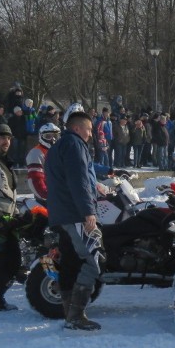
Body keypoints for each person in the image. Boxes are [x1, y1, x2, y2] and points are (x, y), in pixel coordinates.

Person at [45, 106, 104, 331]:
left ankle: (69, 313)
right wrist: (88, 212)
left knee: (71, 262)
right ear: (77, 128)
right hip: (75, 214)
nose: (91, 134)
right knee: (93, 261)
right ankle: (76, 315)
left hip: (62, 213)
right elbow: (78, 181)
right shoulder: (74, 145)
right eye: (89, 130)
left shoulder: (60, 146)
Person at [0, 123, 20, 311]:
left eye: (9, 138)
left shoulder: (4, 162)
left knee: (11, 261)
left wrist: (18, 215)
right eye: (2, 137)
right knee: (1, 260)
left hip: (7, 221)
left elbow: (9, 194)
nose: (6, 141)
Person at [25, 123, 61, 202]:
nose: (53, 139)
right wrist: (46, 195)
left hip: (59, 195)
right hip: (47, 197)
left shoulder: (57, 151)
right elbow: (35, 180)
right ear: (41, 136)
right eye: (48, 136)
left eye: (55, 136)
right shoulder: (36, 153)